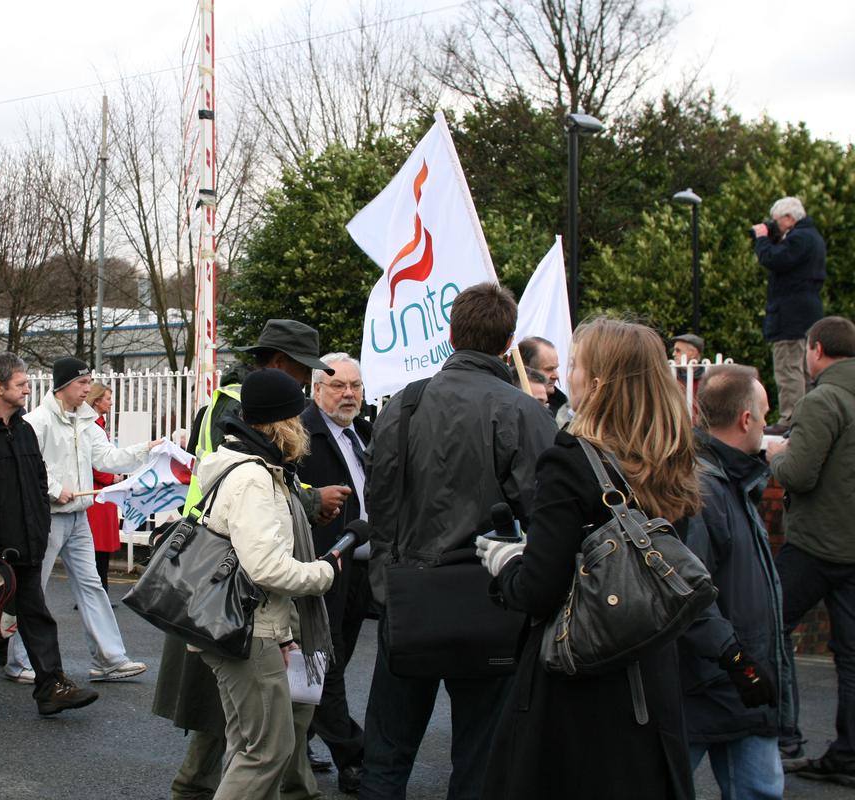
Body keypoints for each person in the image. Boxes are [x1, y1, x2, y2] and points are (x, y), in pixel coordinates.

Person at [476, 318, 702, 799]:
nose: (569, 376)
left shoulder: (572, 461)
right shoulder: (672, 456)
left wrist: (508, 562)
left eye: (575, 364)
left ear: (597, 382)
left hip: (579, 680)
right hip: (651, 672)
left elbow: (539, 589)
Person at [363, 283, 558, 799]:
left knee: (388, 751)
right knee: (479, 754)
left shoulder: (403, 405)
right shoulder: (521, 410)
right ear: (509, 341)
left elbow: (378, 501)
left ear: (450, 333)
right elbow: (544, 511)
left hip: (409, 593)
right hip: (488, 597)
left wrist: (385, 578)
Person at [153, 319, 350, 800]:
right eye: (305, 372)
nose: (309, 387)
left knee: (249, 735)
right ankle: (197, 788)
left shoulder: (232, 413)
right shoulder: (246, 439)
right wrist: (312, 514)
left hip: (228, 591)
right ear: (282, 364)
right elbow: (260, 542)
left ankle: (204, 786)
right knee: (260, 744)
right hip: (236, 595)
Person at [195, 368, 336, 799]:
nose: (303, 428)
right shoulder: (255, 477)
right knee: (269, 750)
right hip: (247, 630)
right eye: (298, 418)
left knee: (246, 745)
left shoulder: (239, 466)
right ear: (282, 423)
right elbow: (266, 568)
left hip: (236, 625)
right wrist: (323, 572)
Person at [0, 352, 98, 717]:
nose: (29, 389)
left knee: (36, 614)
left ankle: (51, 685)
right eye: (20, 384)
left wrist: (40, 527)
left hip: (26, 544)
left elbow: (37, 483)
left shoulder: (24, 430)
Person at [4, 357, 151, 684]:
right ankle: (19, 662)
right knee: (33, 590)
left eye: (89, 382)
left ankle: (109, 660)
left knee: (92, 587)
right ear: (64, 386)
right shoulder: (37, 422)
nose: (88, 388)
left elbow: (109, 458)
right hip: (47, 520)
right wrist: (56, 490)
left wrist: (149, 449)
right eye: (83, 383)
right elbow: (27, 467)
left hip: (78, 518)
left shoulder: (86, 422)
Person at [680, 364, 787, 799]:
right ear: (746, 420)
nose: (767, 423)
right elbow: (690, 593)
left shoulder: (729, 481)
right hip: (723, 679)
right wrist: (740, 662)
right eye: (763, 414)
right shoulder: (709, 488)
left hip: (733, 680)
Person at [766, 316, 855, 783]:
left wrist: (776, 454)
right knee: (852, 656)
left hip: (816, 543)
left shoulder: (823, 400)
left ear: (816, 349)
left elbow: (798, 475)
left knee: (769, 624)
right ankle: (848, 755)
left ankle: (784, 735)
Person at [298, 352, 374, 795]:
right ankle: (353, 756)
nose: (349, 394)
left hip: (359, 567)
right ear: (317, 389)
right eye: (339, 385)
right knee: (326, 661)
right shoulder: (304, 435)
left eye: (356, 386)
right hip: (323, 564)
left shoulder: (361, 433)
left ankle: (297, 739)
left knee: (333, 659)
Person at [751, 196, 826, 432]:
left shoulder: (799, 238)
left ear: (789, 218)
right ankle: (806, 419)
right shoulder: (812, 237)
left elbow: (775, 259)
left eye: (776, 221)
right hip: (807, 312)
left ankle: (791, 419)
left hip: (790, 315)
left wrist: (762, 239)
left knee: (788, 367)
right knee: (804, 369)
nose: (774, 226)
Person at [84, 382, 121, 594]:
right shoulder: (94, 425)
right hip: (97, 492)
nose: (111, 402)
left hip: (100, 491)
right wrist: (112, 477)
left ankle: (99, 591)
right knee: (97, 550)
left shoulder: (98, 423)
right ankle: (97, 593)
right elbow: (97, 462)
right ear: (97, 401)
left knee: (99, 551)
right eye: (107, 398)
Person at [517, 335, 566, 417]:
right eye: (548, 369)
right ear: (526, 369)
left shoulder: (564, 408)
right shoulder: (508, 406)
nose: (556, 376)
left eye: (556, 368)